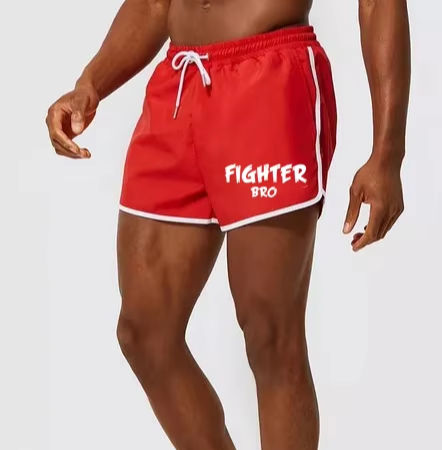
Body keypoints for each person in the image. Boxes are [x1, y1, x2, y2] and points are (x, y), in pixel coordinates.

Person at [45, 0, 410, 448]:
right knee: (144, 332)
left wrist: (387, 152)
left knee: (269, 333)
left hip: (269, 78)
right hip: (181, 82)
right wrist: (91, 83)